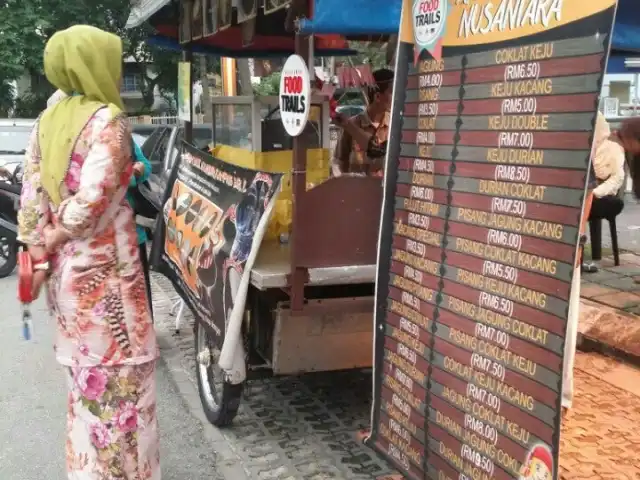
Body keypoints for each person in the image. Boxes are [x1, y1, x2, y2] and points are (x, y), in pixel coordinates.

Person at [17, 25, 160, 479]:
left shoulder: (47, 122)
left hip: (67, 285)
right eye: (113, 63)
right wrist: (60, 234)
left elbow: (30, 200)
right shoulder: (108, 123)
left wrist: (40, 249)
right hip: (109, 287)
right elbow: (92, 203)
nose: (117, 75)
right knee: (124, 400)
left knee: (85, 396)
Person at [583, 112, 626, 273]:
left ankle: (586, 258)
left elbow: (617, 178)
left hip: (603, 195)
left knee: (583, 206)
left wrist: (594, 192)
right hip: (584, 193)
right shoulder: (582, 145)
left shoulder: (613, 147)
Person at [331, 68, 394, 177]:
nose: (396, 98)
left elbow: (377, 152)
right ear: (378, 97)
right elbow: (338, 163)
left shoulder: (395, 127)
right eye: (393, 93)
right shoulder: (353, 124)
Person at [129, 140, 154, 317]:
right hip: (106, 237)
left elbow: (146, 165)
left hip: (134, 232)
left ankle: (147, 329)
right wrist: (130, 176)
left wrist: (140, 169)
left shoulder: (125, 139)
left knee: (141, 288)